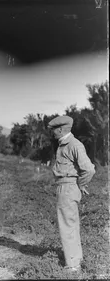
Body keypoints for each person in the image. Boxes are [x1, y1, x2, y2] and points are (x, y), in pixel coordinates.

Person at [48, 115, 96, 272]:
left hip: (68, 187)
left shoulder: (73, 145)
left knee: (67, 226)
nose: (53, 133)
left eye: (54, 130)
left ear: (61, 130)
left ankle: (72, 266)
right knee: (72, 225)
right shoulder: (65, 144)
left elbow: (89, 169)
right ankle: (76, 260)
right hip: (68, 187)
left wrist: (81, 184)